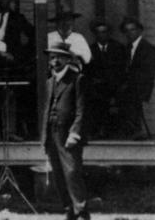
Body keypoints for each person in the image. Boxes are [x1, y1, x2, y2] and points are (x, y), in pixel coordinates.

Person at [44, 41, 90, 220]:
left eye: (59, 57)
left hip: (68, 134)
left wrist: (75, 133)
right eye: (52, 57)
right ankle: (69, 209)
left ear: (67, 59)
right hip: (51, 132)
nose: (55, 61)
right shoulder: (50, 81)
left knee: (72, 172)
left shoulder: (77, 79)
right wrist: (44, 136)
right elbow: (47, 109)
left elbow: (81, 110)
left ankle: (82, 211)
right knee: (58, 173)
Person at [83, 18, 126, 139]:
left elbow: (121, 70)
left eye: (104, 32)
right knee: (93, 98)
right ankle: (96, 131)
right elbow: (87, 71)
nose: (102, 35)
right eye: (99, 32)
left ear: (109, 33)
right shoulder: (89, 50)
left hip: (114, 86)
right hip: (96, 87)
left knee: (115, 98)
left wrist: (112, 81)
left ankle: (112, 132)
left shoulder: (118, 48)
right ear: (95, 34)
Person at [118, 17, 155, 140]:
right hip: (130, 86)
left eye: (133, 30)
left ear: (139, 31)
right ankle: (127, 130)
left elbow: (147, 72)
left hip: (141, 86)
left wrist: (130, 84)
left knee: (129, 98)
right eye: (127, 31)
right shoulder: (127, 48)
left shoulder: (147, 48)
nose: (130, 33)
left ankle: (136, 131)